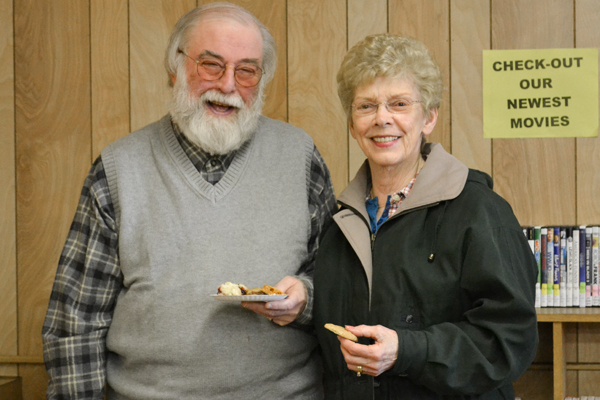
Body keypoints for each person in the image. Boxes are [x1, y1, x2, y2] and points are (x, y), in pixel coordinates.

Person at [42, 2, 337, 399]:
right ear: (175, 65)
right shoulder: (117, 168)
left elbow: (339, 287)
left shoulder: (299, 156)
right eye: (211, 65)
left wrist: (306, 299)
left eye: (246, 70)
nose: (228, 85)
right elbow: (74, 323)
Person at [313, 33, 538, 399]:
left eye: (399, 104)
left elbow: (510, 338)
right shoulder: (339, 226)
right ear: (353, 125)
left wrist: (406, 351)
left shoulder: (480, 211)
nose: (382, 119)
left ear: (429, 117)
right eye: (366, 106)